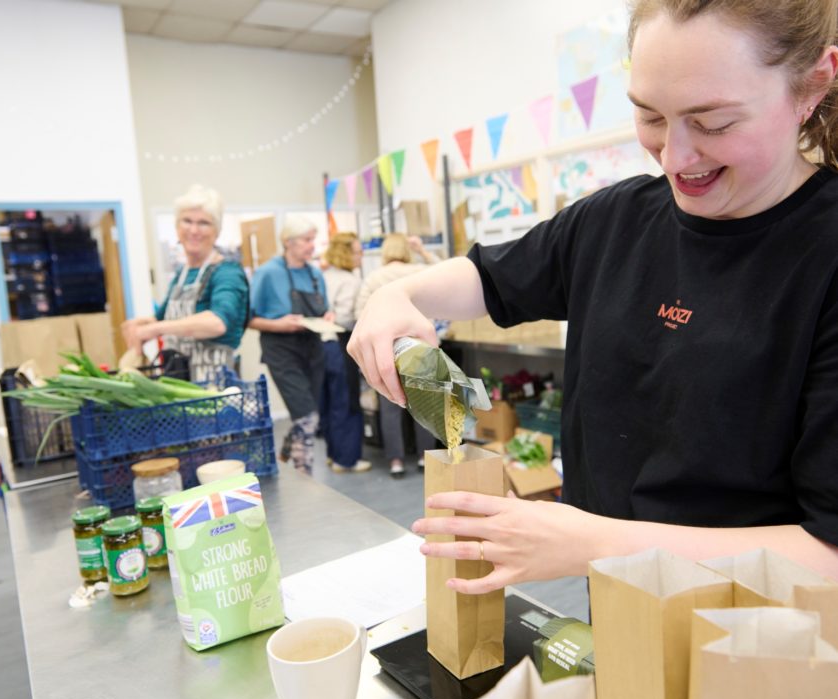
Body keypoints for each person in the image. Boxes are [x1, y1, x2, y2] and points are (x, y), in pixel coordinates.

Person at [349, 0, 838, 593]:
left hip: (761, 644)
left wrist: (591, 543)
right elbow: (488, 277)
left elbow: (827, 554)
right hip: (615, 607)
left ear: (813, 85)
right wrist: (397, 294)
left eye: (713, 123)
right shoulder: (615, 219)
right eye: (650, 117)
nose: (675, 158)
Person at [121, 184, 249, 382]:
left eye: (204, 223)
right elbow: (162, 318)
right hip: (177, 380)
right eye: (187, 221)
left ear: (217, 230)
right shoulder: (182, 273)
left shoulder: (227, 272)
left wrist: (156, 329)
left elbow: (218, 323)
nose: (194, 230)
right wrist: (141, 324)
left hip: (216, 386)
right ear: (177, 226)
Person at [249, 215, 334, 475]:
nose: (312, 246)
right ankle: (304, 475)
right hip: (281, 350)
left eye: (313, 240)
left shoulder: (315, 273)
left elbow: (325, 309)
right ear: (288, 242)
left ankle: (287, 450)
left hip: (312, 347)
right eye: (307, 240)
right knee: (307, 415)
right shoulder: (267, 273)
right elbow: (248, 319)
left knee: (308, 413)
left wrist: (328, 317)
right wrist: (279, 324)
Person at [355, 233, 439, 477]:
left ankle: (396, 461)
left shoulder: (374, 278)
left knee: (390, 406)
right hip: (421, 347)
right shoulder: (420, 271)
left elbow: (359, 314)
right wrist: (422, 250)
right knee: (423, 404)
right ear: (406, 250)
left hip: (388, 349)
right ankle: (426, 459)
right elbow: (449, 271)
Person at [320, 232, 372, 473]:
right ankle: (347, 459)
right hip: (340, 342)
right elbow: (348, 317)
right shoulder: (350, 280)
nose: (361, 256)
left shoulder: (322, 276)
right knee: (347, 400)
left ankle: (333, 454)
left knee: (329, 401)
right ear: (346, 253)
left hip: (320, 344)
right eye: (357, 251)